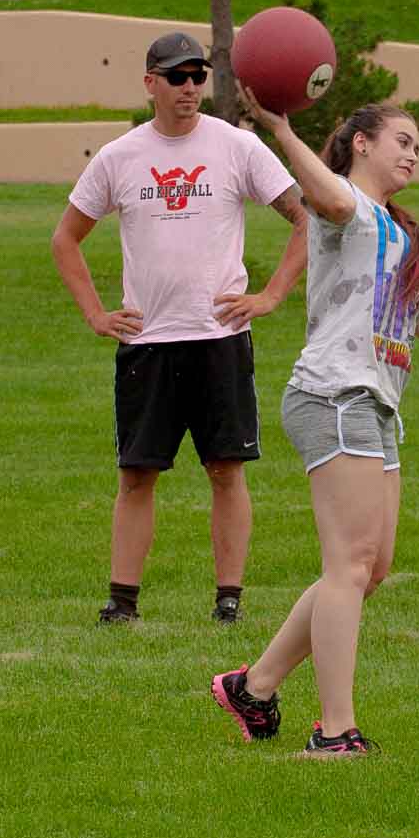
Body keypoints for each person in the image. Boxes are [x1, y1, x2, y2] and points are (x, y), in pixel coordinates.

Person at [211, 95, 419, 755]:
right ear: (360, 144)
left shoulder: (397, 231)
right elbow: (319, 196)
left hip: (376, 406)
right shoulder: (344, 211)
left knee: (369, 568)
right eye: (401, 140)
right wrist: (281, 128)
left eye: (418, 146)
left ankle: (254, 685)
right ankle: (333, 731)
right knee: (348, 565)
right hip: (334, 395)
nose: (412, 152)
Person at [51, 32, 308, 625]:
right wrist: (96, 314)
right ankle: (122, 602)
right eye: (176, 76)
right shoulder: (119, 157)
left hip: (219, 338)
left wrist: (270, 296)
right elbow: (65, 238)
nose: (189, 87)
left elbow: (304, 218)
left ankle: (229, 600)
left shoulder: (238, 147)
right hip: (147, 343)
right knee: (137, 474)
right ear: (150, 84)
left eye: (197, 76)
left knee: (225, 468)